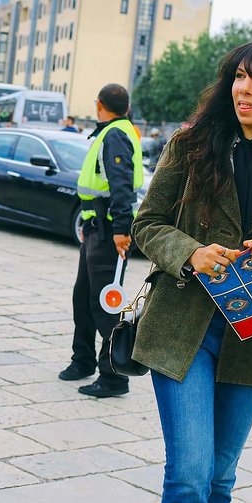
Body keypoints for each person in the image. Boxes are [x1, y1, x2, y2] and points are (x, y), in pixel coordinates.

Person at [132, 40, 252, 503]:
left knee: (219, 479)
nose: (245, 89)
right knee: (189, 476)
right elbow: (147, 224)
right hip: (184, 330)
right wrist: (190, 252)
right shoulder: (192, 146)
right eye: (239, 76)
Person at [58, 83, 143, 398]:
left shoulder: (117, 135)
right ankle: (82, 361)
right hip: (95, 228)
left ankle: (114, 376)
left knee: (104, 304)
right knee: (83, 297)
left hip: (109, 232)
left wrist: (122, 229)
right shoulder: (112, 131)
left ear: (99, 104)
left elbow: (121, 186)